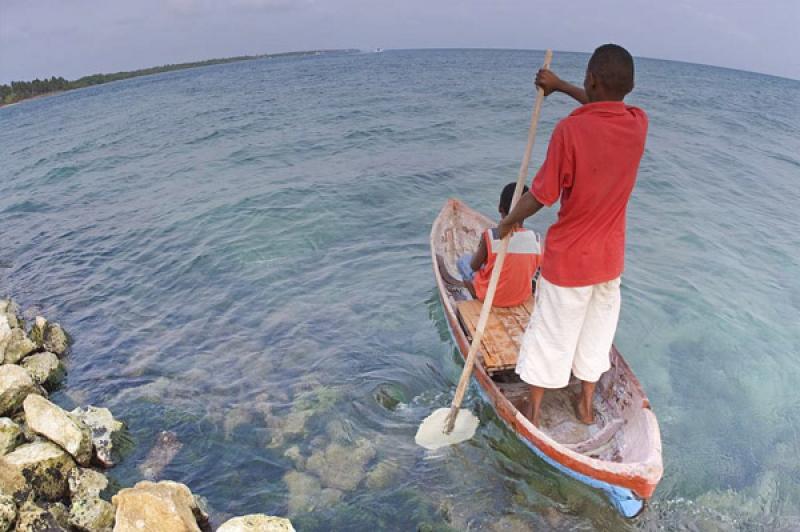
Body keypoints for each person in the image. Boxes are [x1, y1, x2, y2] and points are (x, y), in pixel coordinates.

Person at [497, 44, 648, 427]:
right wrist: (561, 85)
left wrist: (507, 222)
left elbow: (541, 196)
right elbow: (602, 106)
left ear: (592, 79)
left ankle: (533, 407)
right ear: (628, 87)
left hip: (569, 263)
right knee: (596, 335)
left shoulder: (570, 130)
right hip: (610, 264)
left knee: (551, 334)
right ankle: (585, 404)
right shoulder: (637, 123)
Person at [457, 182, 541, 308]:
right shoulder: (536, 239)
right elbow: (536, 269)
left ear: (500, 208)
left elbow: (474, 266)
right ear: (528, 212)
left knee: (463, 261)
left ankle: (476, 295)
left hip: (491, 298)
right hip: (521, 297)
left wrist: (483, 247)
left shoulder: (491, 235)